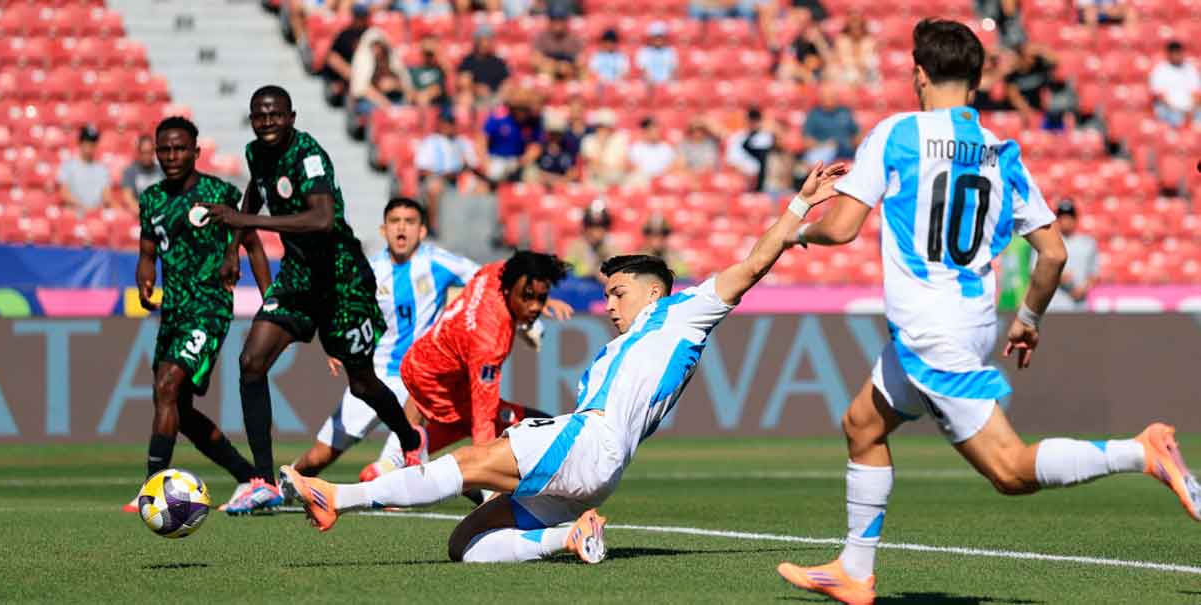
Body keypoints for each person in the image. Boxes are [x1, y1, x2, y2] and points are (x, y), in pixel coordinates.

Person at [775, 20, 1200, 605]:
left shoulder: (897, 133)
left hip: (930, 329)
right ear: (976, 82)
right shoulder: (1001, 152)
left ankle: (1141, 451)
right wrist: (1029, 320)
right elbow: (1053, 252)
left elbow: (843, 228)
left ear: (918, 75)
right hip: (969, 320)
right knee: (862, 425)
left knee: (1008, 471)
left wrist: (796, 234)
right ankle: (854, 568)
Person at [282, 162, 848, 565]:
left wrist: (799, 204)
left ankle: (337, 498)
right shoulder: (622, 346)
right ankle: (569, 537)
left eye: (619, 293)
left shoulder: (683, 313)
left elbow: (751, 266)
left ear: (654, 293)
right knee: (468, 546)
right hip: (598, 469)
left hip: (589, 442)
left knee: (474, 461)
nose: (609, 306)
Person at [201, 85, 424, 514]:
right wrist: (234, 247)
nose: (267, 123)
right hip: (300, 277)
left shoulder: (309, 155)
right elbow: (253, 190)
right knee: (250, 363)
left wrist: (245, 220)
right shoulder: (256, 153)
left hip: (341, 279)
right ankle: (263, 481)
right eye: (259, 116)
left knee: (361, 384)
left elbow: (322, 219)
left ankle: (410, 441)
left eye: (275, 115)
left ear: (292, 117)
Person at [288, 200, 567, 482]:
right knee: (320, 455)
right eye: (395, 221)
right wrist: (335, 345)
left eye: (409, 222)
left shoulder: (439, 262)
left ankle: (398, 475)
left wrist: (534, 308)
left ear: (422, 232)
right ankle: (281, 487)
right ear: (384, 230)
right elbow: (341, 310)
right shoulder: (367, 270)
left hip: (419, 378)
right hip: (374, 376)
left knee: (402, 460)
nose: (401, 228)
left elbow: (498, 285)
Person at [124, 117, 272, 513]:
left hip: (208, 308)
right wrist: (144, 281)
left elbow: (253, 245)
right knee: (178, 408)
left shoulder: (218, 193)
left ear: (195, 152)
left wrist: (269, 299)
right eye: (164, 150)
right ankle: (249, 477)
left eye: (179, 149)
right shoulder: (152, 198)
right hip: (173, 309)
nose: (171, 156)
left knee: (168, 387)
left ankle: (150, 489)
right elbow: (147, 251)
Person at [377, 251, 571, 480]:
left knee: (462, 425)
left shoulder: (496, 272)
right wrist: (489, 475)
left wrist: (536, 303)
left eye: (541, 298)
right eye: (528, 297)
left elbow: (520, 279)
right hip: (438, 383)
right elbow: (483, 419)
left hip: (423, 360)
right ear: (509, 289)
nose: (535, 306)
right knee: (530, 424)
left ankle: (390, 466)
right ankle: (433, 478)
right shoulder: (490, 341)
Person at [415, 111, 480, 233]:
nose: (448, 127)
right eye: (445, 123)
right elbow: (422, 168)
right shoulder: (430, 142)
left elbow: (473, 163)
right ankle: (435, 227)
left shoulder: (463, 142)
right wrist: (442, 175)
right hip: (439, 178)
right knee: (435, 187)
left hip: (460, 177)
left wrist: (464, 166)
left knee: (479, 187)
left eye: (451, 123)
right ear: (439, 124)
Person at [1041, 199, 1098, 312]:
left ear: (1075, 219)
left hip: (1080, 304)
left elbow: (1094, 272)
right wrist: (1057, 276)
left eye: (1069, 217)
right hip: (1055, 304)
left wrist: (1083, 288)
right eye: (1062, 217)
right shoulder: (1048, 242)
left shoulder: (1088, 243)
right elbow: (1036, 271)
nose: (1065, 221)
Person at [349, 30, 412, 118]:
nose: (377, 48)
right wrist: (385, 103)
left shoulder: (392, 59)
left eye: (378, 45)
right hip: (370, 102)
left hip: (394, 99)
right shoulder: (362, 60)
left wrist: (395, 85)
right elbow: (362, 89)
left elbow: (406, 85)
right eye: (374, 45)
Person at [57, 125, 115, 213]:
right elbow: (64, 194)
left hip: (95, 216)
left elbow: (107, 196)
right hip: (75, 214)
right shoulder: (68, 166)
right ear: (80, 143)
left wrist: (95, 210)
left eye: (92, 142)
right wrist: (83, 207)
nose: (89, 145)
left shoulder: (102, 169)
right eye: (86, 142)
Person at [323, 4, 372, 106]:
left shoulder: (371, 34)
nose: (360, 19)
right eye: (358, 16)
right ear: (353, 16)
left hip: (368, 72)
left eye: (362, 16)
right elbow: (331, 57)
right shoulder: (345, 34)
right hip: (349, 74)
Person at [802, 84, 859, 164]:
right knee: (815, 158)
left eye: (832, 96)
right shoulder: (814, 114)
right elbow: (807, 140)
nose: (828, 99)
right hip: (823, 151)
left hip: (846, 151)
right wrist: (826, 145)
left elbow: (856, 135)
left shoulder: (845, 112)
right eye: (825, 96)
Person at [564, 202, 622, 281]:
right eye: (590, 225)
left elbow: (619, 273)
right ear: (585, 227)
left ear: (606, 228)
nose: (595, 232)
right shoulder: (577, 246)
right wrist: (592, 272)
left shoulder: (612, 247)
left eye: (601, 226)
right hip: (582, 288)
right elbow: (567, 270)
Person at [1150, 41, 1201, 128]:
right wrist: (1178, 110)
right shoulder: (1160, 70)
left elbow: (1196, 93)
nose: (1177, 56)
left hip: (1190, 108)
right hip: (1169, 108)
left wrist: (1192, 109)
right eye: (1174, 53)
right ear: (1169, 54)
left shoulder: (1190, 69)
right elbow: (1160, 96)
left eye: (1179, 52)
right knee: (1175, 119)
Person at [458, 25, 511, 109]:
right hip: (476, 98)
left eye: (488, 40)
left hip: (495, 97)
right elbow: (464, 82)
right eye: (482, 40)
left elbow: (506, 82)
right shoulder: (468, 61)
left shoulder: (498, 62)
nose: (485, 43)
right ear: (476, 41)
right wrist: (476, 88)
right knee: (465, 97)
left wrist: (501, 93)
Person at [1005, 44, 1057, 127]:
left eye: (1032, 57)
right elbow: (1014, 96)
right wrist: (1028, 112)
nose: (1031, 60)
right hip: (1023, 112)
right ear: (1020, 58)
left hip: (1043, 109)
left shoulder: (1039, 66)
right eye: (1028, 57)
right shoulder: (1013, 74)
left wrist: (1039, 50)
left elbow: (1055, 60)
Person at [726, 107, 775, 193]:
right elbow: (731, 161)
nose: (753, 123)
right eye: (751, 120)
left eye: (756, 120)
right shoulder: (737, 137)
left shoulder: (766, 138)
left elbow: (769, 161)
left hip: (763, 180)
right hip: (742, 178)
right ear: (747, 121)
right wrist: (745, 175)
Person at [579, 109, 629, 187]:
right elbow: (593, 163)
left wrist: (610, 169)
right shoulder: (589, 140)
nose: (603, 129)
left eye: (606, 126)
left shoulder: (619, 139)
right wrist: (601, 144)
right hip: (596, 177)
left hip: (616, 176)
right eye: (601, 126)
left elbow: (623, 163)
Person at [532, 7, 583, 80]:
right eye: (554, 20)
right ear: (550, 21)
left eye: (561, 20)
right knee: (547, 69)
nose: (558, 24)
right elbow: (535, 60)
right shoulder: (542, 38)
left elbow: (581, 60)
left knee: (583, 73)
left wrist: (569, 67)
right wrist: (557, 66)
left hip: (570, 71)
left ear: (565, 21)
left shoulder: (574, 38)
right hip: (549, 72)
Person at [637, 213, 690, 279]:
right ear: (646, 236)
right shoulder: (638, 258)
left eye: (663, 233)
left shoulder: (675, 258)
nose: (657, 237)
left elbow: (684, 278)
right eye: (650, 232)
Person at [627, 117, 677, 185]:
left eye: (656, 129)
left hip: (663, 177)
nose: (654, 132)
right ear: (644, 131)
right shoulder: (636, 147)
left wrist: (660, 176)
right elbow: (632, 166)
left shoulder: (666, 147)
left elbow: (673, 166)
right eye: (650, 130)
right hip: (643, 177)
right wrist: (649, 176)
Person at [120, 135, 163, 209]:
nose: (146, 156)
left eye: (149, 152)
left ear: (154, 152)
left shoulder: (162, 171)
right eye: (143, 152)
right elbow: (128, 199)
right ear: (138, 152)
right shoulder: (130, 172)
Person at [408, 35, 450, 108]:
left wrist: (437, 53)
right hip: (419, 100)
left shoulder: (440, 68)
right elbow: (410, 91)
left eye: (431, 54)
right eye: (427, 54)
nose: (429, 57)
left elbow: (450, 80)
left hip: (440, 102)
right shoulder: (414, 70)